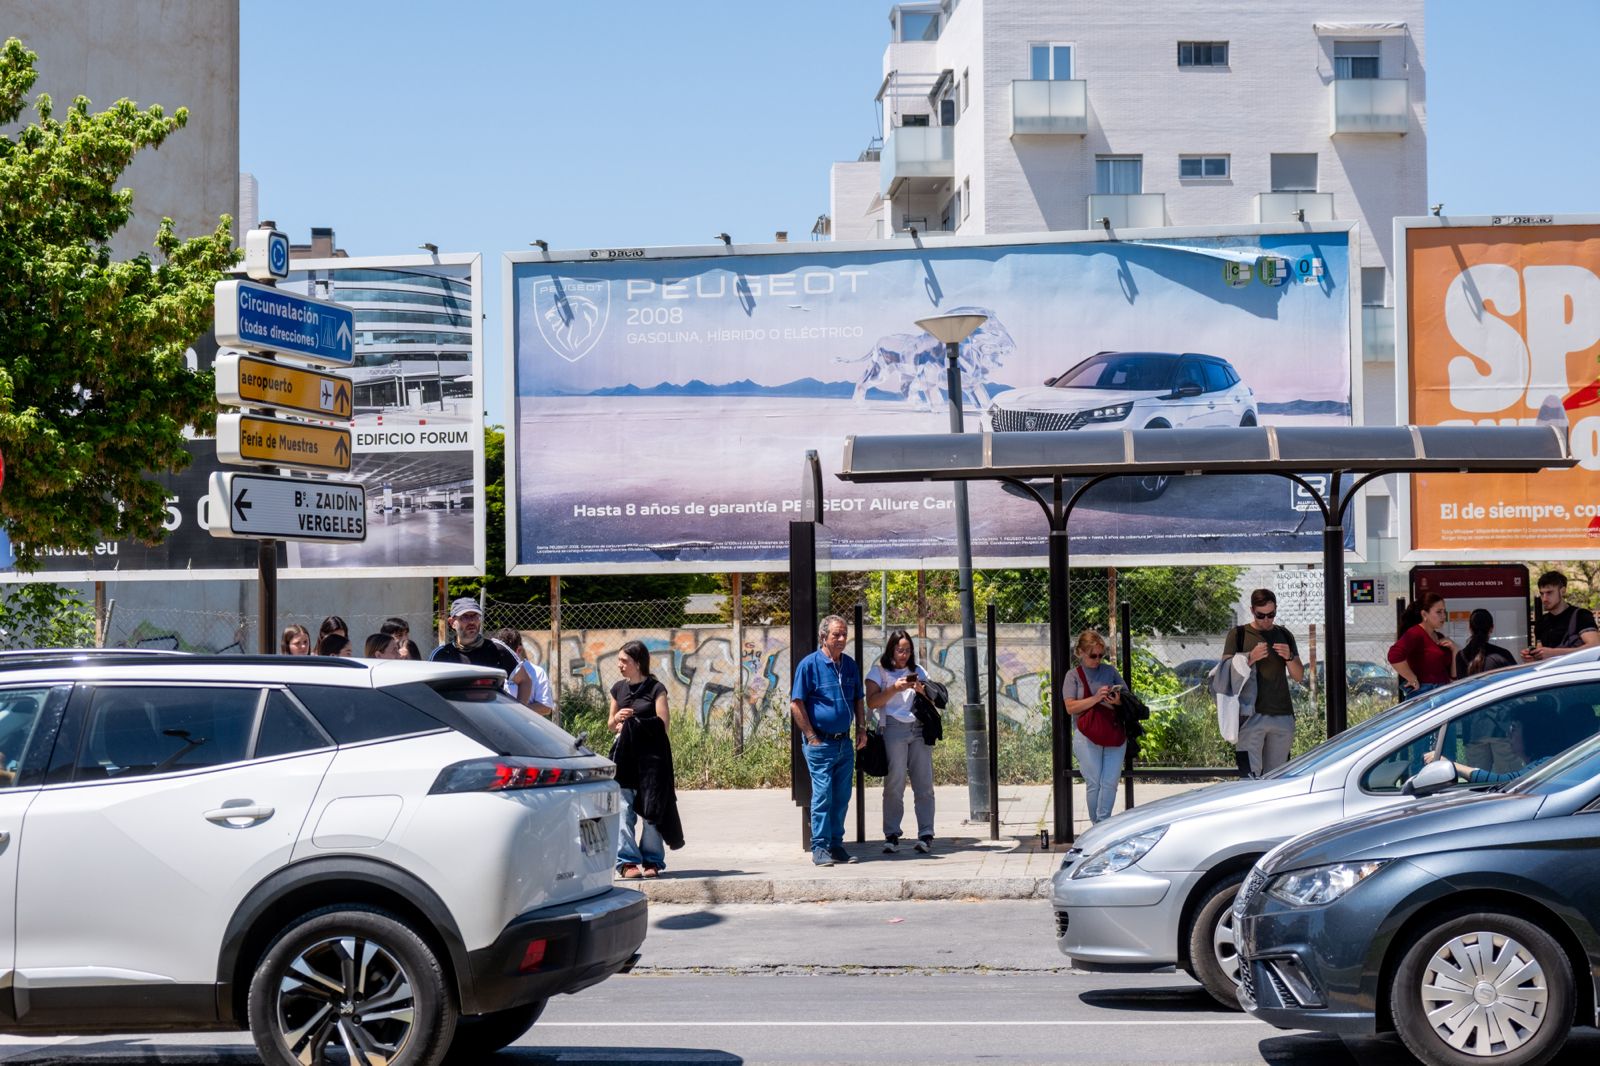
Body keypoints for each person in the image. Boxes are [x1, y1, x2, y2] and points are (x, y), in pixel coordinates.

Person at [790, 614, 867, 867]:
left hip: (844, 743)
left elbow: (858, 699)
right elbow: (796, 703)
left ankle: (836, 844)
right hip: (821, 744)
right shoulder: (809, 665)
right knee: (822, 795)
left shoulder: (849, 666)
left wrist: (862, 729)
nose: (842, 639)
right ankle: (819, 847)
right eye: (837, 635)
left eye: (845, 634)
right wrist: (811, 737)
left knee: (842, 796)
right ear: (824, 636)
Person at [608, 640, 681, 878]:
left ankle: (652, 860)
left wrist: (636, 723)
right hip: (624, 757)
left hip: (651, 759)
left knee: (651, 809)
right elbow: (610, 725)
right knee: (623, 808)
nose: (620, 665)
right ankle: (627, 862)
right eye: (619, 660)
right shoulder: (618, 689)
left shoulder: (656, 689)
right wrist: (618, 718)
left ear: (638, 663)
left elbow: (663, 724)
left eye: (624, 661)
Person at [1221, 589, 1305, 776]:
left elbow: (1299, 676)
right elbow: (1224, 672)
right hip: (1250, 715)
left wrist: (1289, 657)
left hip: (1282, 715)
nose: (1267, 620)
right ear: (1252, 610)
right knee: (1250, 778)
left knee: (1277, 779)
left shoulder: (1284, 634)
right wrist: (1249, 658)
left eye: (1271, 614)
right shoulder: (1238, 634)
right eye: (1261, 615)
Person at [865, 629, 935, 854]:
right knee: (894, 784)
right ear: (891, 649)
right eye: (899, 650)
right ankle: (892, 834)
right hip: (893, 727)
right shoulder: (879, 672)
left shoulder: (919, 671)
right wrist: (895, 688)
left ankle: (926, 833)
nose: (904, 654)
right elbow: (872, 702)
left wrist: (920, 689)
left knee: (924, 783)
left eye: (908, 650)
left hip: (918, 728)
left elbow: (932, 699)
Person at [1063, 629, 1127, 824]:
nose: (1097, 659)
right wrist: (1096, 698)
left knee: (1110, 782)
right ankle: (1098, 827)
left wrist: (1116, 700)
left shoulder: (1110, 671)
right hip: (1087, 735)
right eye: (1093, 655)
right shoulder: (1073, 675)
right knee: (1094, 783)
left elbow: (1128, 698)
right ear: (1080, 653)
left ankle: (1102, 824)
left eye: (1101, 655)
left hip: (1113, 732)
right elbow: (1070, 707)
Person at [429, 599, 529, 702]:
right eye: (465, 617)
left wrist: (520, 710)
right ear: (452, 622)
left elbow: (524, 681)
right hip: (454, 715)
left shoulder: (497, 650)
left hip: (488, 715)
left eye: (475, 616)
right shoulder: (441, 655)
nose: (471, 621)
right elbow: (430, 690)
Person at [1389, 593, 1456, 698]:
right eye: (1439, 612)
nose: (1443, 616)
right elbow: (1394, 655)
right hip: (1425, 694)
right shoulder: (1416, 633)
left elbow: (1453, 676)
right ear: (1424, 614)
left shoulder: (1439, 636)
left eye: (1444, 611)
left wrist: (1454, 650)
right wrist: (1412, 678)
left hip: (1443, 691)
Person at [1522, 571, 1600, 661]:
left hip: (1577, 672)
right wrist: (1532, 656)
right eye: (1542, 594)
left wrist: (1554, 653)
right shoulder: (1541, 622)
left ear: (1562, 591)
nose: (1544, 599)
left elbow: (1595, 647)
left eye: (1549, 593)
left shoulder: (1581, 615)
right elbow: (1542, 654)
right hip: (1552, 673)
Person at [496, 627, 556, 717]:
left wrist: (517, 710)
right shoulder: (494, 668)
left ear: (519, 650)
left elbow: (546, 707)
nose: (503, 657)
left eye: (506, 654)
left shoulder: (537, 672)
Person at [1456, 608, 1516, 677]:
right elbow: (1517, 680)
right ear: (1492, 628)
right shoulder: (1502, 655)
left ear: (1470, 628)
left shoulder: (1460, 656)